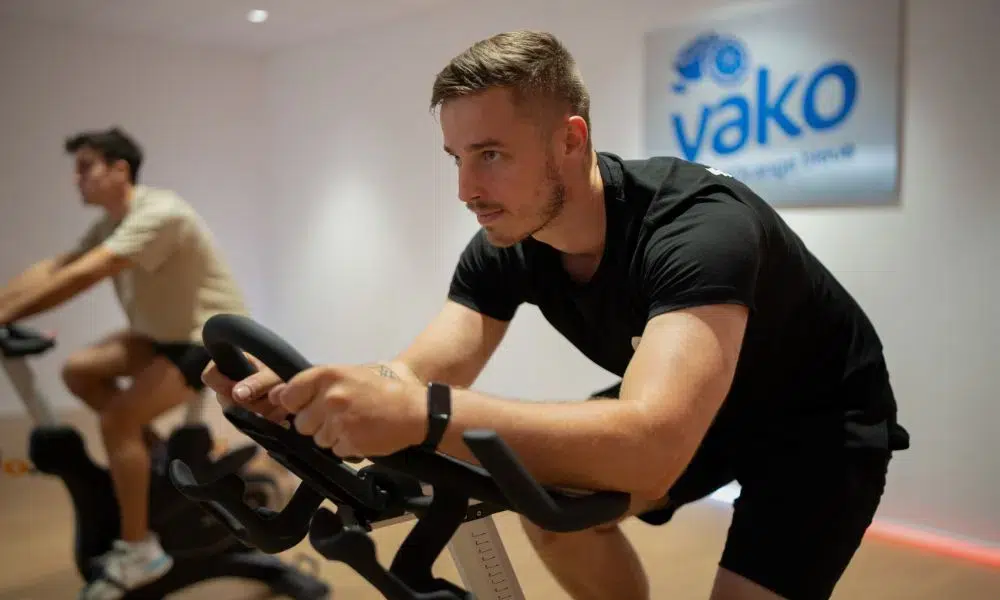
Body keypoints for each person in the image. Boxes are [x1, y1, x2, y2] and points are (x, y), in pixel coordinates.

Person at [202, 30, 910, 600]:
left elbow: (653, 440)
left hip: (817, 425)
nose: (466, 189)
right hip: (699, 405)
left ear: (571, 140)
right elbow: (415, 373)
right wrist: (309, 390)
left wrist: (429, 414)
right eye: (455, 157)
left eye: (490, 155)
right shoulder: (507, 242)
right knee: (551, 512)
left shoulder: (699, 228)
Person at [0, 127, 249, 599]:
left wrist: (7, 314)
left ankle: (141, 549)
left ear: (120, 169)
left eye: (86, 168)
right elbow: (58, 266)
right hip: (160, 336)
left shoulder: (160, 212)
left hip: (209, 337)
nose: (77, 180)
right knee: (80, 370)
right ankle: (148, 460)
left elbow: (86, 275)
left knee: (118, 419)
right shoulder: (114, 220)